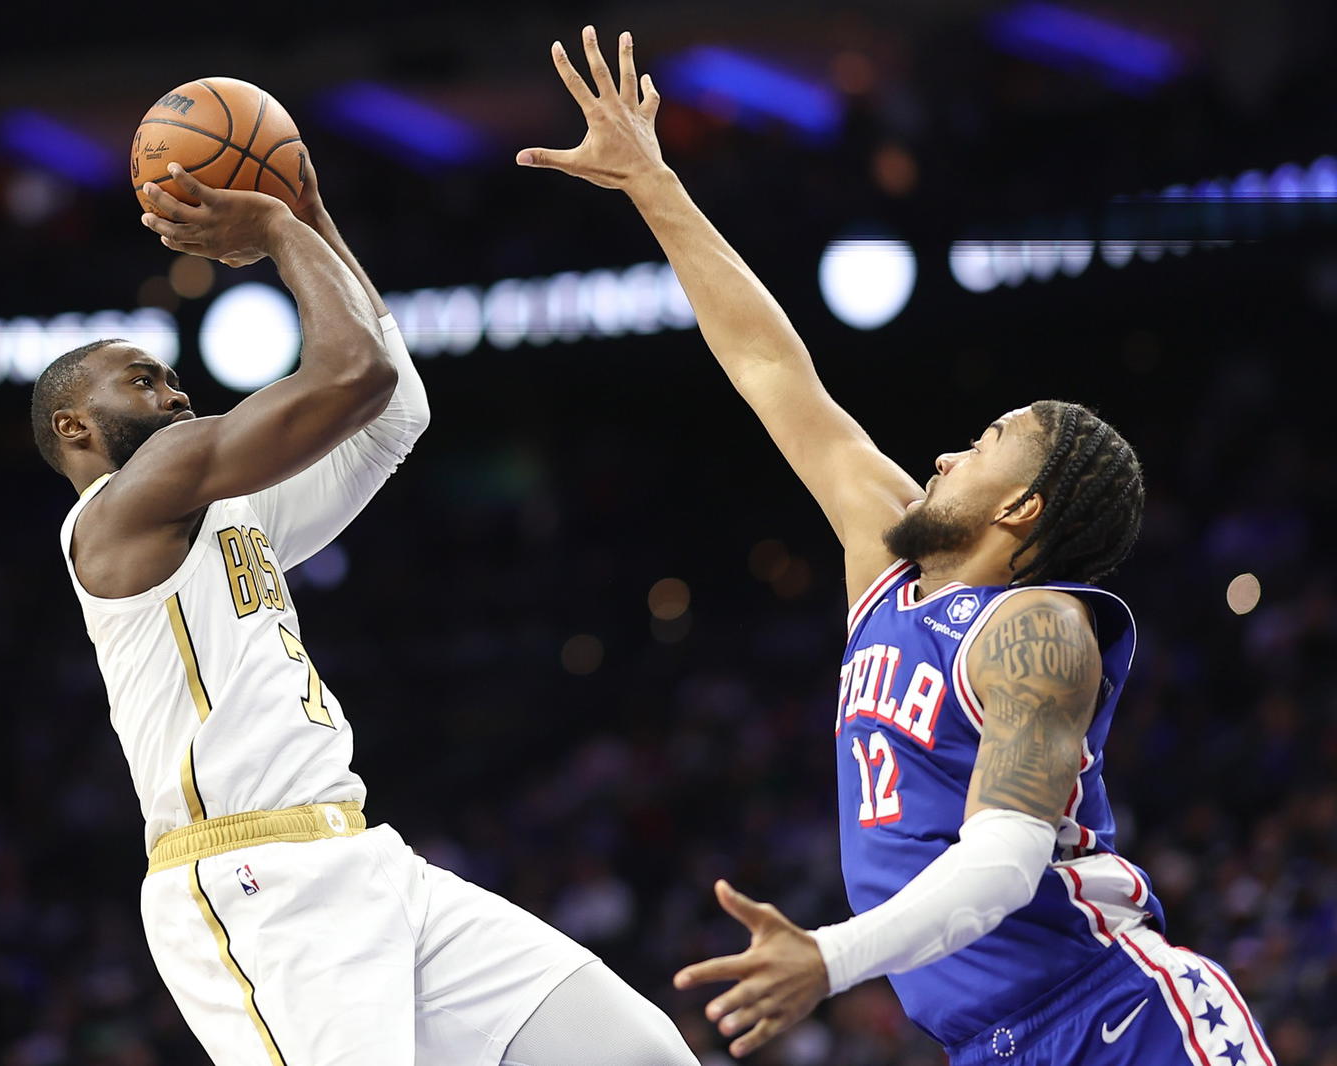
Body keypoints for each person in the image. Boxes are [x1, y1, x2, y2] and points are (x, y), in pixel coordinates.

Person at [518, 26, 1278, 1066]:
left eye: (985, 444)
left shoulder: (1039, 630)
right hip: (989, 1046)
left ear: (1023, 511)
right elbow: (768, 365)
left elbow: (1006, 862)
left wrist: (827, 960)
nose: (943, 452)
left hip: (1118, 1018)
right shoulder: (885, 567)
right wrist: (653, 184)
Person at [30, 161, 699, 1066]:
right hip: (251, 881)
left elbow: (393, 412)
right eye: (144, 381)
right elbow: (352, 373)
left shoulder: (230, 516)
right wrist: (272, 228)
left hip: (363, 857)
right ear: (75, 427)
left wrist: (314, 220)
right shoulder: (126, 508)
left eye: (171, 381)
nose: (177, 393)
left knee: (638, 1053)